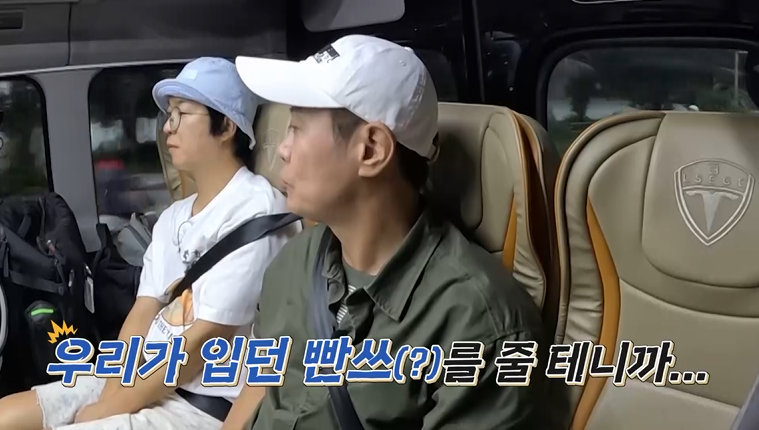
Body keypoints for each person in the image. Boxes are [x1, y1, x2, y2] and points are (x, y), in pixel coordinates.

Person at [226, 35, 547, 429]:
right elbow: (260, 388)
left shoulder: (480, 325)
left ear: (372, 150)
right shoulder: (293, 263)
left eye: (296, 128)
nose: (283, 150)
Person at [0, 57, 300, 430]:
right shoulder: (174, 217)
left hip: (201, 404)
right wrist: (112, 394)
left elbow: (203, 340)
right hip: (144, 378)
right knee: (8, 414)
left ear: (225, 126)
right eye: (168, 115)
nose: (168, 127)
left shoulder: (257, 211)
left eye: (182, 114)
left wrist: (110, 409)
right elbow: (143, 313)